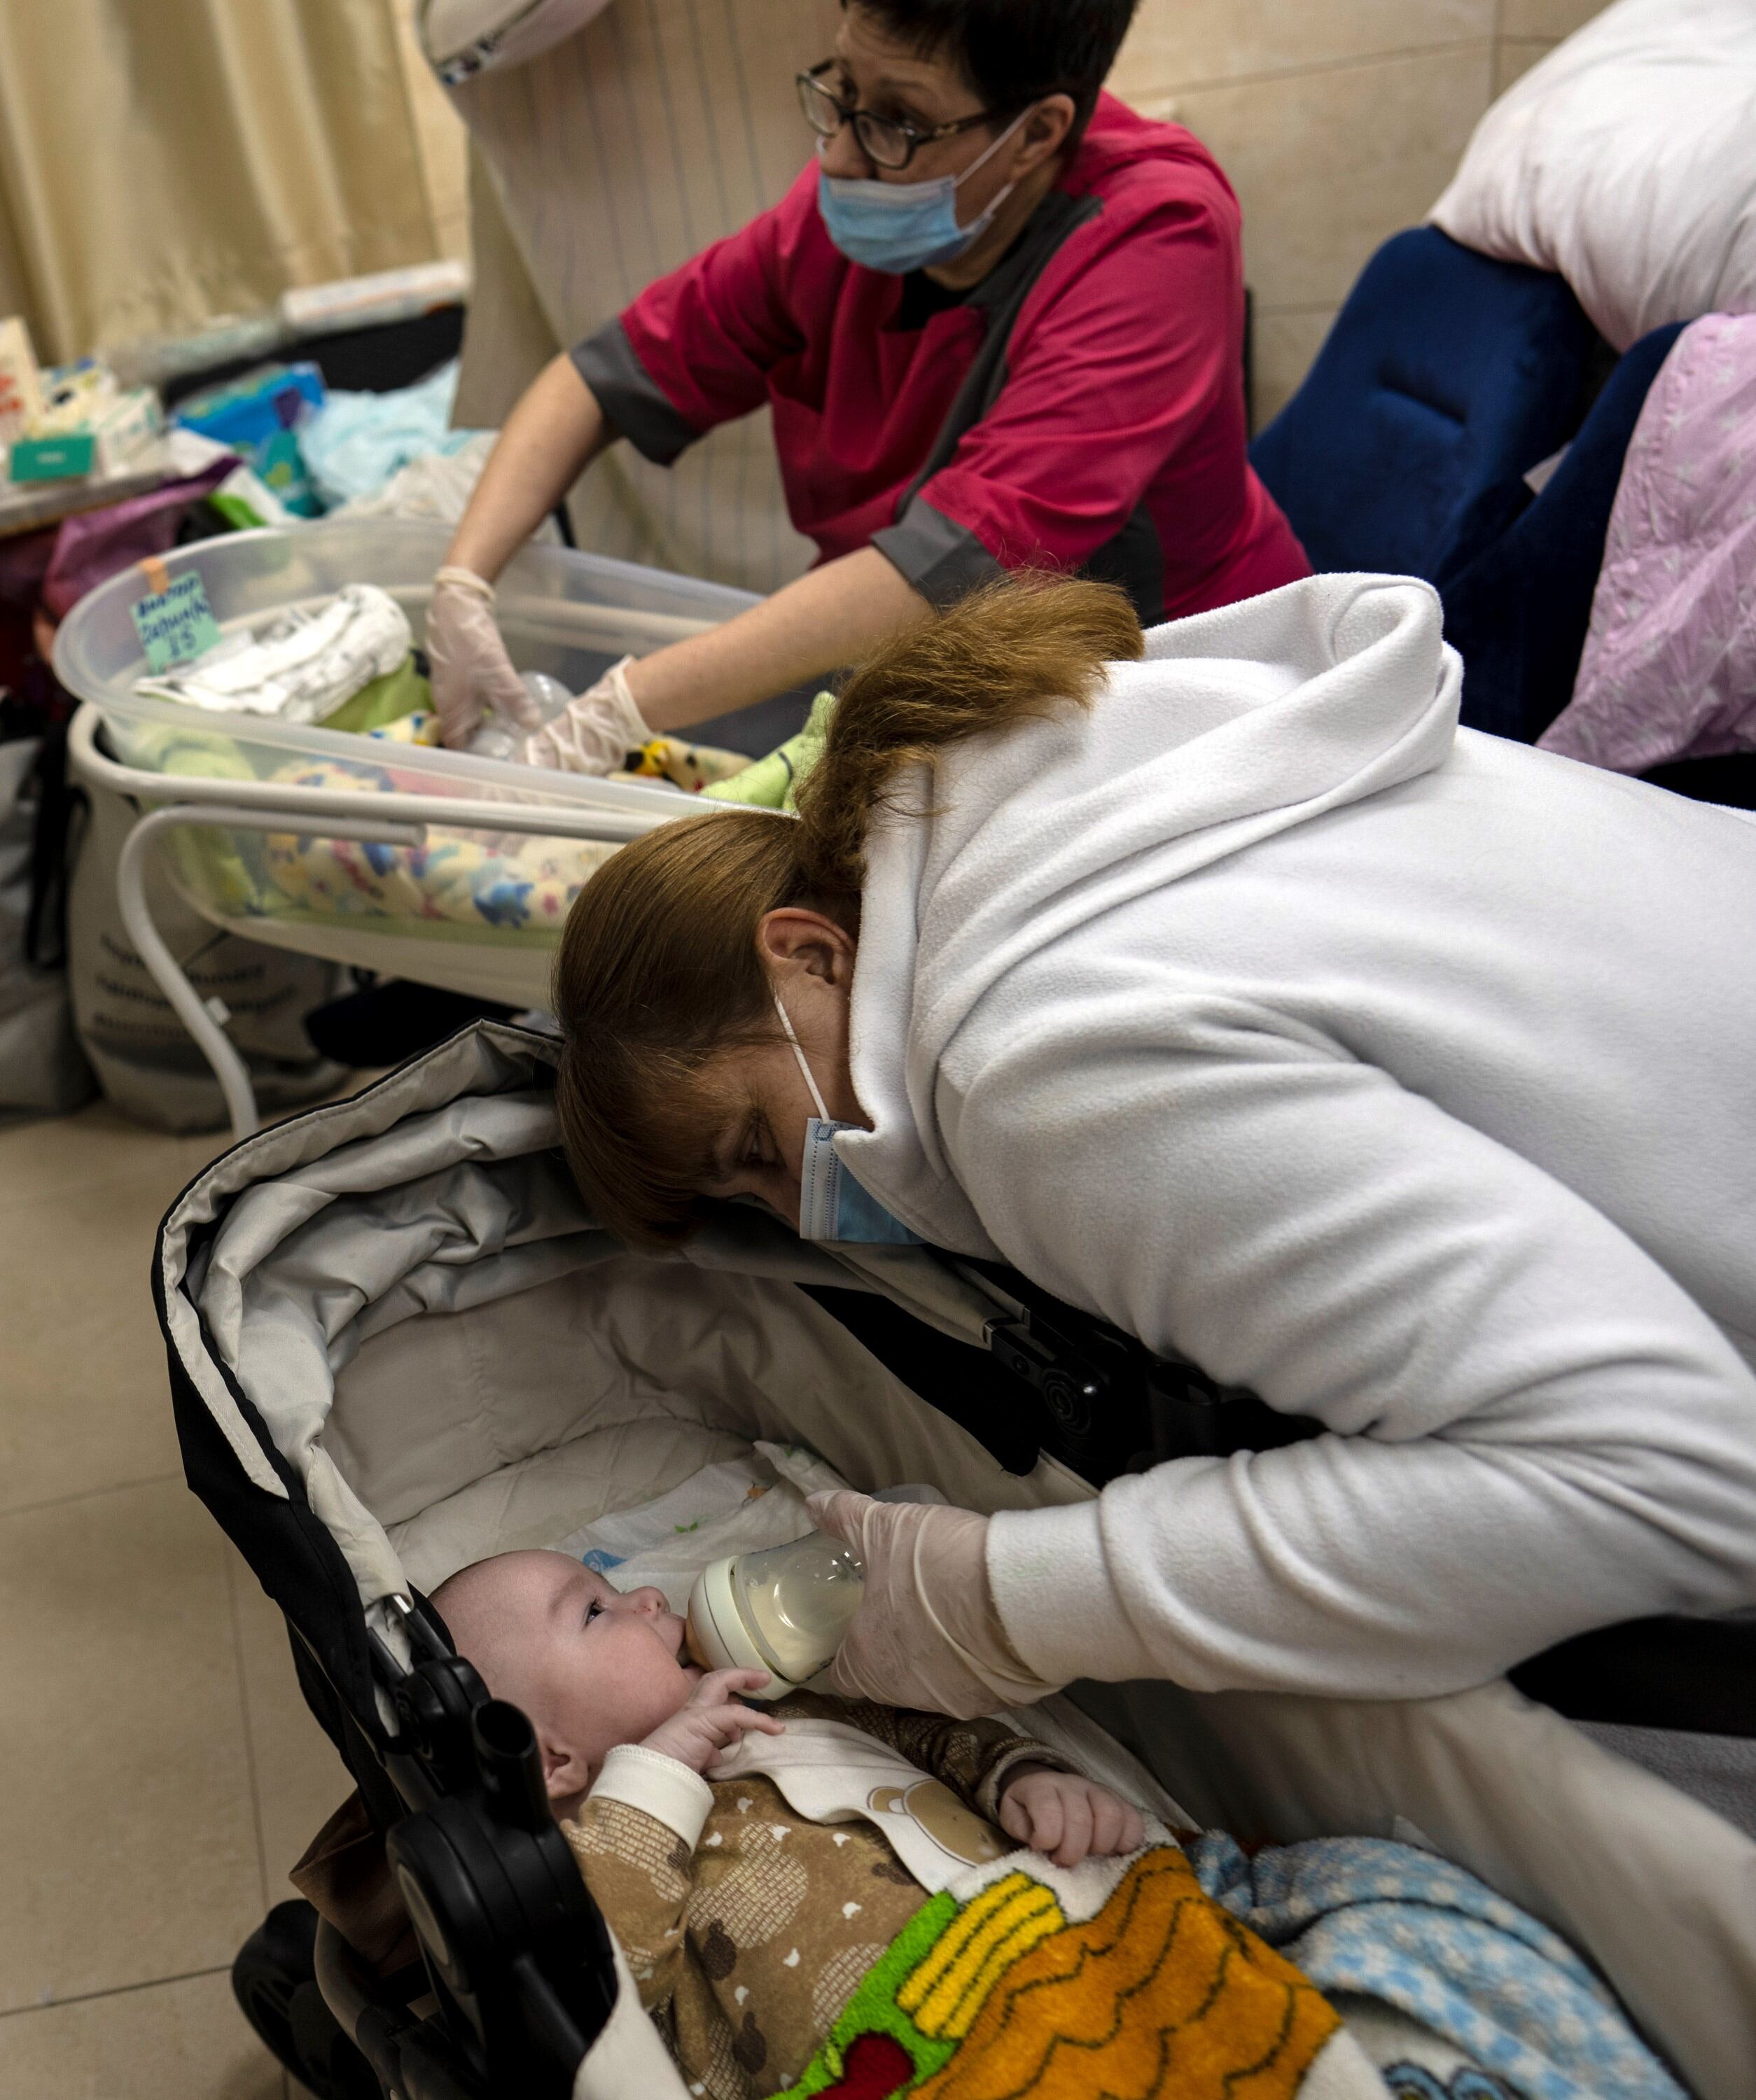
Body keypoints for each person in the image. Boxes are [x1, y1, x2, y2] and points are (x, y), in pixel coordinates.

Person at [548, 570, 1756, 1719]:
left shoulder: (1027, 1070)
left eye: (758, 1142)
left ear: (809, 950)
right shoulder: (1062, 773)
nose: (812, 1209)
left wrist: (1003, 1605)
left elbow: (1660, 1472)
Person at [431, 0, 1309, 773]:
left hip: (1165, 690)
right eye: (841, 91)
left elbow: (954, 566)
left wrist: (619, 710)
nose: (843, 156)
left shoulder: (1159, 238)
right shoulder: (844, 219)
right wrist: (463, 584)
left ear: (1038, 133)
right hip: (957, 675)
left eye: (897, 120)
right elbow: (604, 376)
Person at [426, 1550, 1372, 2100]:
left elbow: (941, 1742)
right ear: (552, 1760)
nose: (645, 1597)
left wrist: (1026, 1780)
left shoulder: (787, 1711)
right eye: (594, 1611)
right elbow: (615, 1985)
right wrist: (662, 1767)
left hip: (1070, 1947)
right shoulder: (601, 1858)